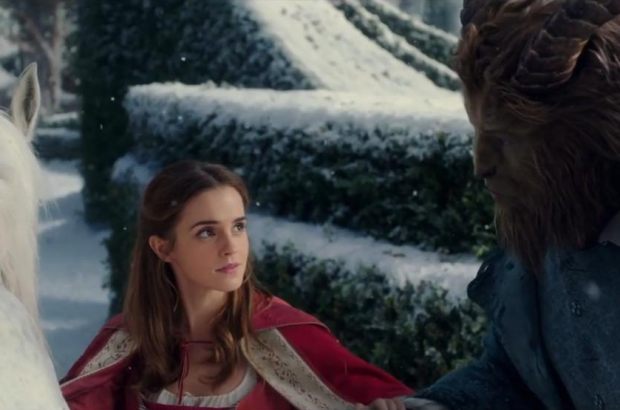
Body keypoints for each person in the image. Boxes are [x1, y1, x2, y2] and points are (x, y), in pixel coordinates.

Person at [402, 0, 620, 409]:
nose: (481, 165)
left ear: (578, 140)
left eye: (506, 138)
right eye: (478, 132)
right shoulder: (542, 236)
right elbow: (516, 377)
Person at [60, 160, 412, 410]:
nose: (231, 247)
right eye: (207, 232)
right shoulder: (125, 343)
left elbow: (404, 400)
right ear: (164, 248)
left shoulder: (288, 335)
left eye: (238, 227)